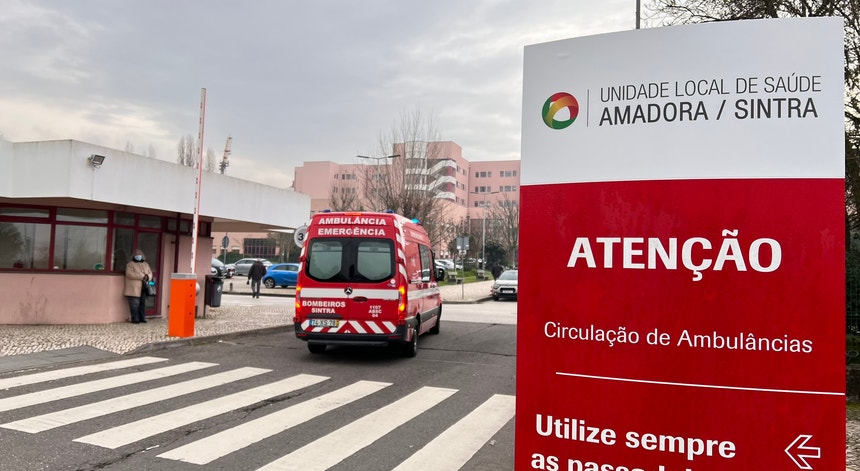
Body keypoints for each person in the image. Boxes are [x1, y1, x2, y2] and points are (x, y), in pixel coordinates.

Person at [124, 249, 153, 323]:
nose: (138, 256)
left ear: (142, 255)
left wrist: (148, 277)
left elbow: (150, 273)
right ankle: (135, 319)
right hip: (133, 288)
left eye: (139, 254)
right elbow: (129, 274)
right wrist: (142, 276)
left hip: (144, 287)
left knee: (142, 304)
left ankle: (142, 318)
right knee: (134, 304)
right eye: (136, 254)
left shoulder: (146, 264)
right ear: (134, 256)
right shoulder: (130, 264)